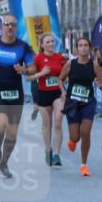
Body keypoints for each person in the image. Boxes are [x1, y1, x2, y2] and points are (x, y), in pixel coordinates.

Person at [0, 14, 35, 178]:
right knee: (0, 125)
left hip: (16, 93)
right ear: (1, 26)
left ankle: (3, 162)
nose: (10, 27)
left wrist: (24, 70)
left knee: (12, 133)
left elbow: (32, 68)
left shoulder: (23, 47)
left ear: (16, 27)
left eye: (13, 24)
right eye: (7, 24)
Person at [61, 36, 102, 176]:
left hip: (88, 102)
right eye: (80, 45)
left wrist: (101, 85)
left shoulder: (94, 65)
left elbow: (101, 82)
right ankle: (73, 140)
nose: (83, 48)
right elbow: (60, 79)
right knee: (75, 137)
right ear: (76, 49)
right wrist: (63, 92)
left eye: (86, 45)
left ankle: (84, 165)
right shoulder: (70, 64)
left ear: (90, 48)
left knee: (85, 132)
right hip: (72, 103)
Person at [30, 33, 67, 166]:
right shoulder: (38, 58)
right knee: (47, 126)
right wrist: (41, 73)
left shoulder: (60, 58)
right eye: (48, 42)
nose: (51, 44)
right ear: (42, 45)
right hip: (43, 94)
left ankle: (56, 154)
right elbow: (30, 77)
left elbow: (67, 72)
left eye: (52, 41)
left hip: (57, 94)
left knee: (58, 122)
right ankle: (48, 151)